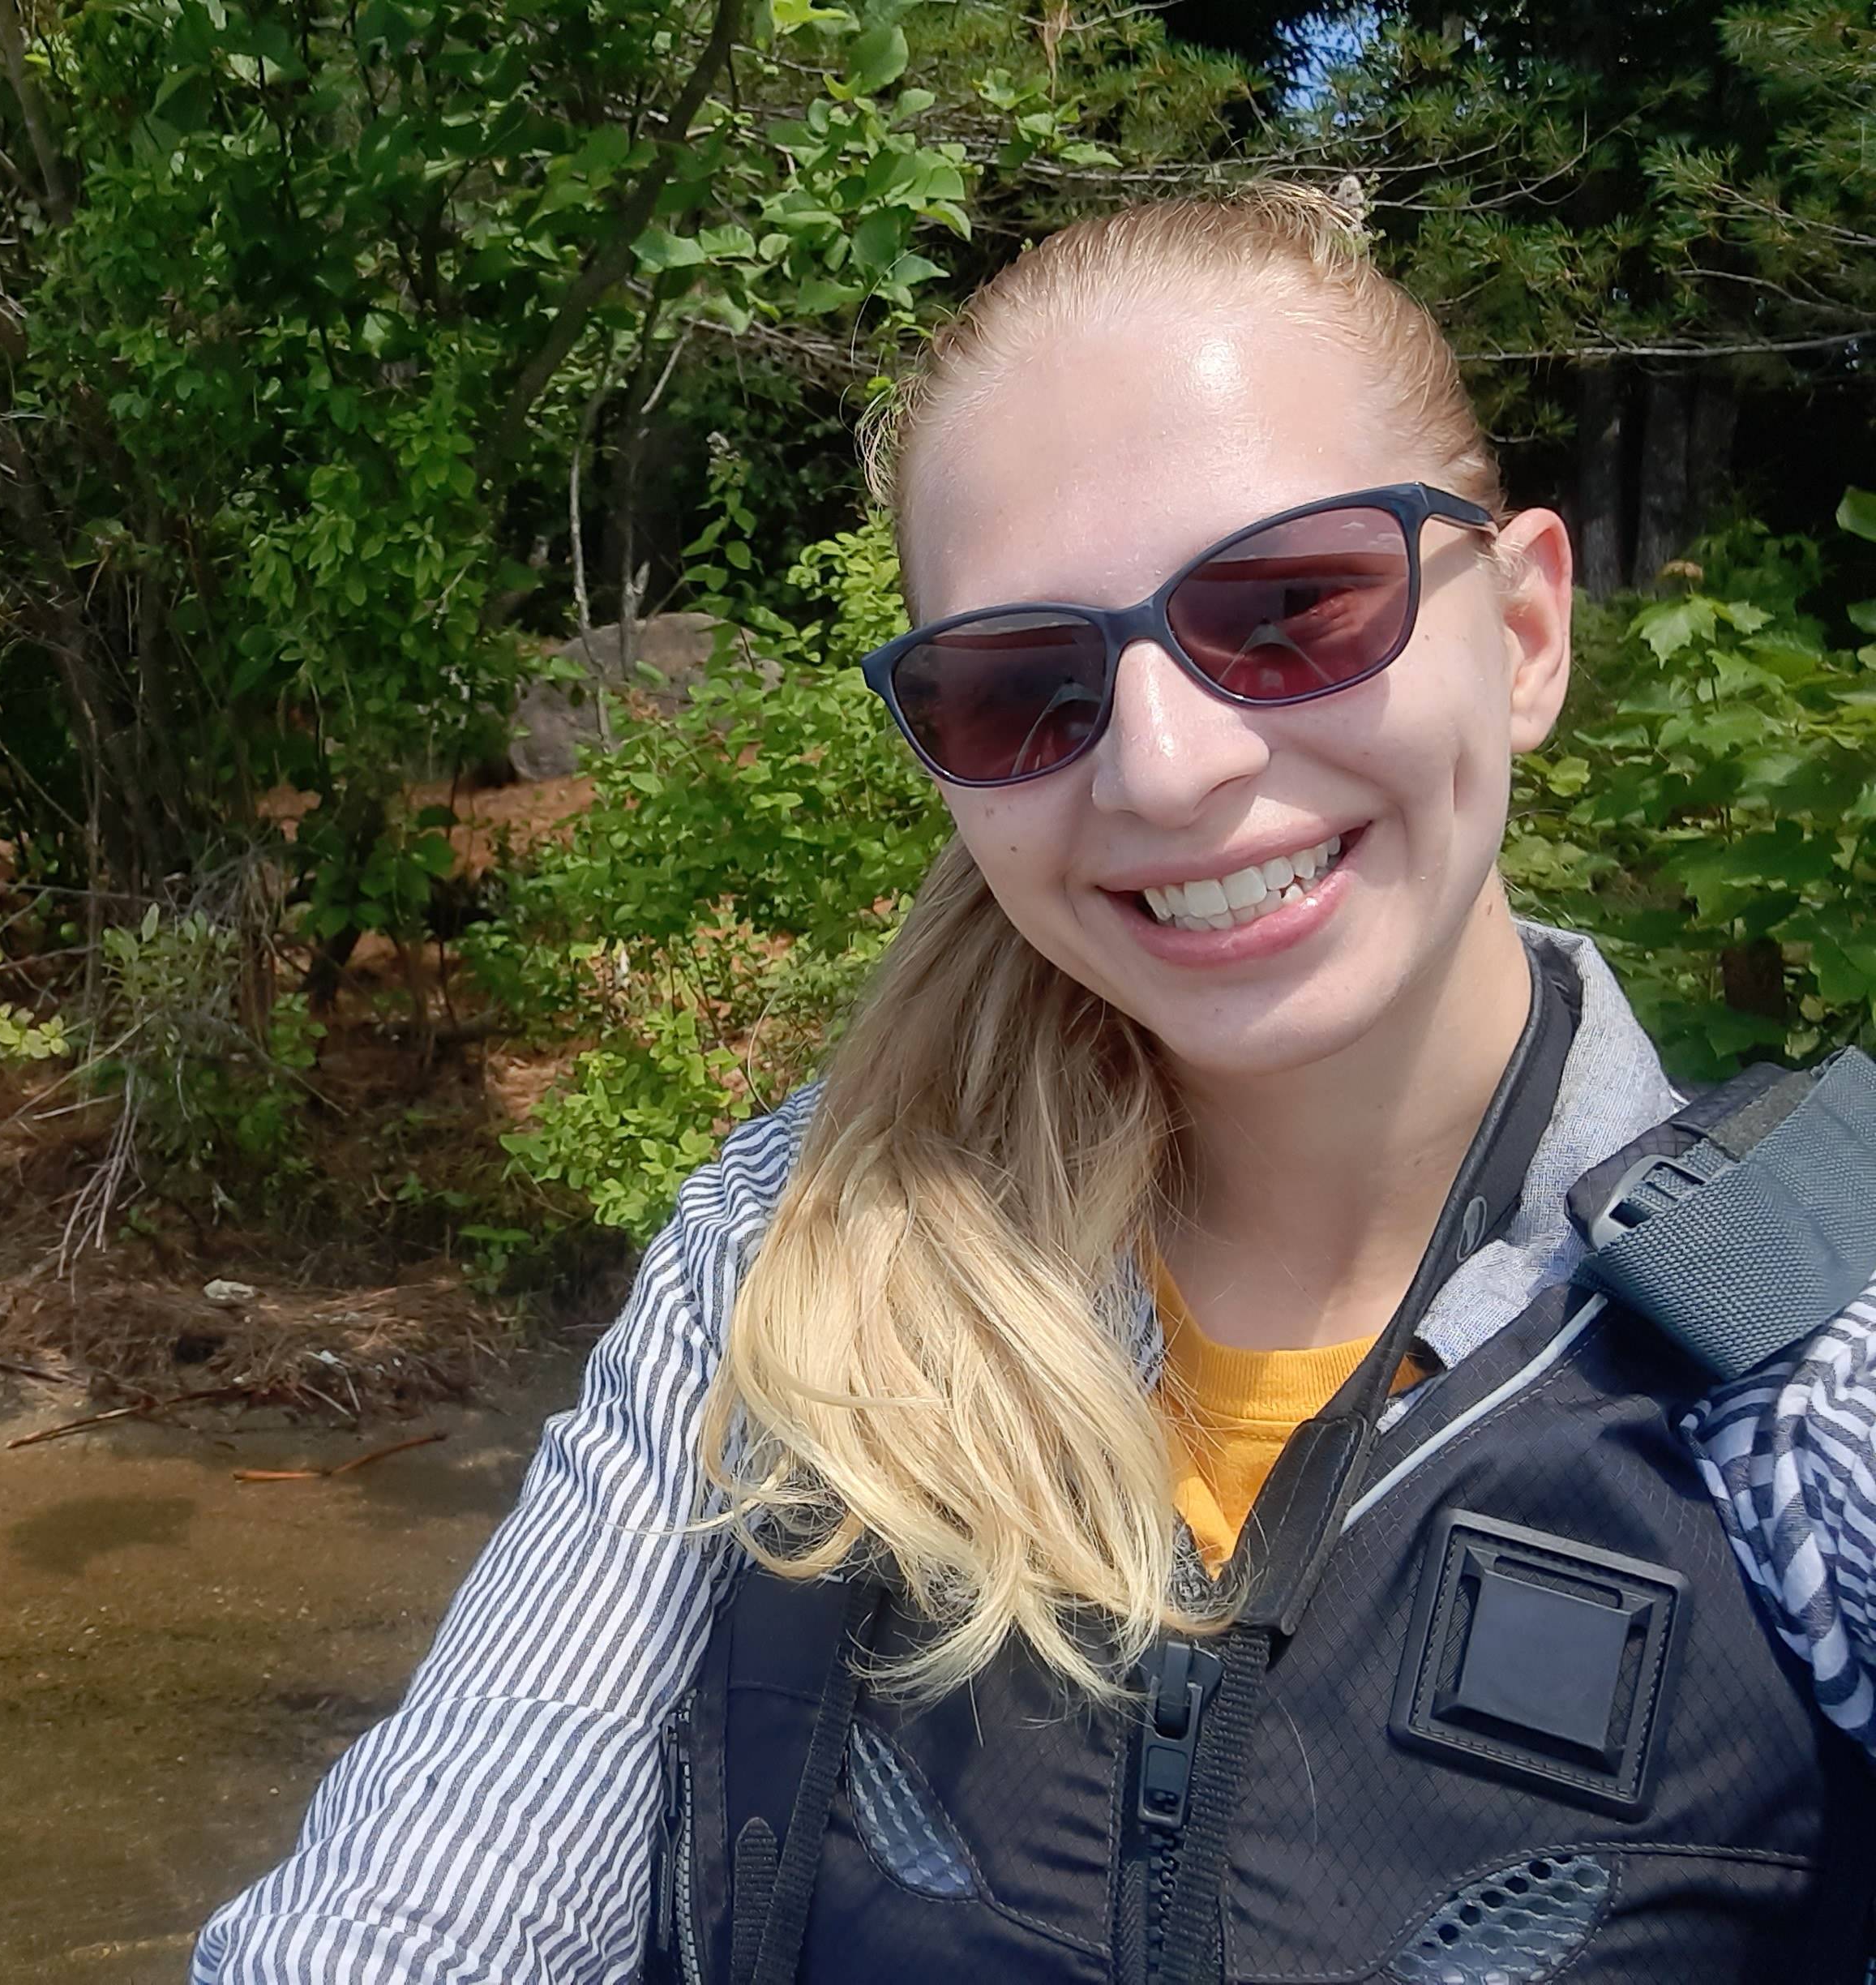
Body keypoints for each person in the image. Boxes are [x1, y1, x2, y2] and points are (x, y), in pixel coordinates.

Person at [192, 186, 1876, 1984]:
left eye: (1293, 605)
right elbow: (412, 1920)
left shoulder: (1809, 1347)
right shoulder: (787, 1259)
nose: (1164, 768)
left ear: (1526, 629)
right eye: (1019, 690)